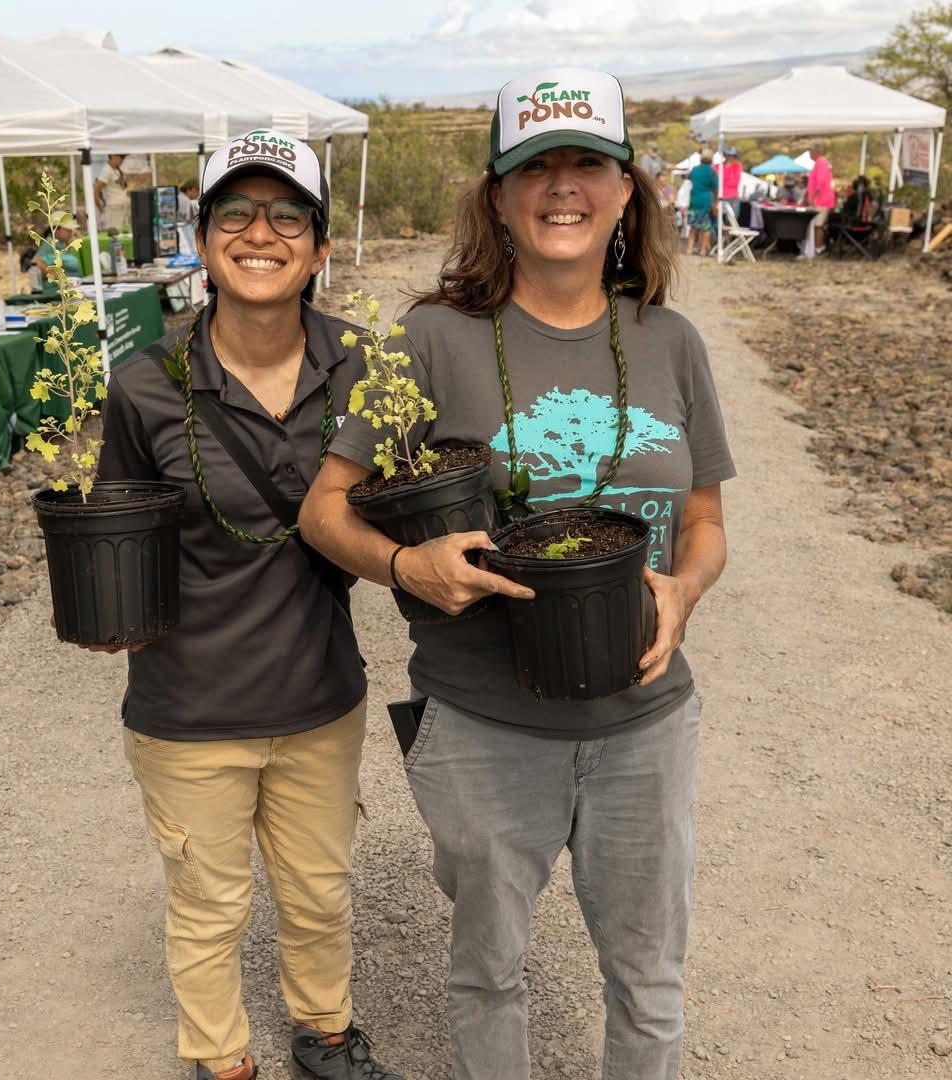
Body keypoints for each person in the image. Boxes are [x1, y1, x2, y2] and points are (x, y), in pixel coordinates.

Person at [301, 66, 735, 1080]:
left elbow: (707, 519)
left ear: (628, 188)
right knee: (489, 971)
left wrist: (685, 586)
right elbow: (324, 508)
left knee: (650, 981)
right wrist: (406, 561)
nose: (561, 187)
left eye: (587, 162)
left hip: (648, 725)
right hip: (485, 727)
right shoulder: (428, 340)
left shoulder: (670, 340)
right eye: (534, 167)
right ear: (497, 196)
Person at [95, 129, 404, 1080]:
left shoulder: (365, 365)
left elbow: (410, 497)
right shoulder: (146, 383)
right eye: (234, 212)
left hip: (320, 695)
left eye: (284, 215)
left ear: (316, 243)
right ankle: (221, 1059)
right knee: (209, 902)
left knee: (319, 891)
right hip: (191, 707)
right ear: (201, 238)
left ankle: (324, 1035)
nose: (258, 232)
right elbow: (113, 528)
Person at [805, 141, 835, 255]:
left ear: (816, 152)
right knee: (816, 225)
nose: (809, 154)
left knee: (818, 225)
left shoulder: (821, 162)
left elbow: (821, 182)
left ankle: (819, 248)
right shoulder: (819, 163)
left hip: (821, 200)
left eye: (810, 151)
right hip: (819, 199)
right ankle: (816, 247)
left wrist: (814, 197)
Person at [686, 148, 718, 257]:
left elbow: (688, 178)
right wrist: (716, 202)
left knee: (693, 227)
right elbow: (715, 189)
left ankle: (689, 249)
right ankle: (703, 250)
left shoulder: (695, 170)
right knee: (706, 228)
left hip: (694, 200)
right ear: (711, 160)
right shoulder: (712, 172)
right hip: (706, 201)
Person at [33, 215, 83, 280]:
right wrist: (61, 279)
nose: (71, 233)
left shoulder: (60, 244)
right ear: (56, 229)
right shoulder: (49, 245)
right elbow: (36, 263)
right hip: (55, 288)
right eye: (68, 230)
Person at [94, 153, 130, 232]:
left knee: (124, 233)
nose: (122, 160)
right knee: (115, 234)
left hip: (124, 207)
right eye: (121, 157)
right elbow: (96, 189)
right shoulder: (106, 170)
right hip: (114, 209)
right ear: (113, 156)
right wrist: (100, 208)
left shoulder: (118, 170)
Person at [714, 147, 742, 221]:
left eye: (732, 155)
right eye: (728, 155)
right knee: (717, 220)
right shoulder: (717, 166)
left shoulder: (737, 166)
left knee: (733, 220)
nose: (730, 157)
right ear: (725, 155)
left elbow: (735, 182)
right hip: (719, 197)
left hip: (733, 198)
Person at [675, 173, 692, 239]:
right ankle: (684, 234)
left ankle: (685, 234)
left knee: (684, 220)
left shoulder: (687, 184)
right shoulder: (685, 184)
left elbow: (685, 196)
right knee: (683, 220)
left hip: (683, 205)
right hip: (682, 205)